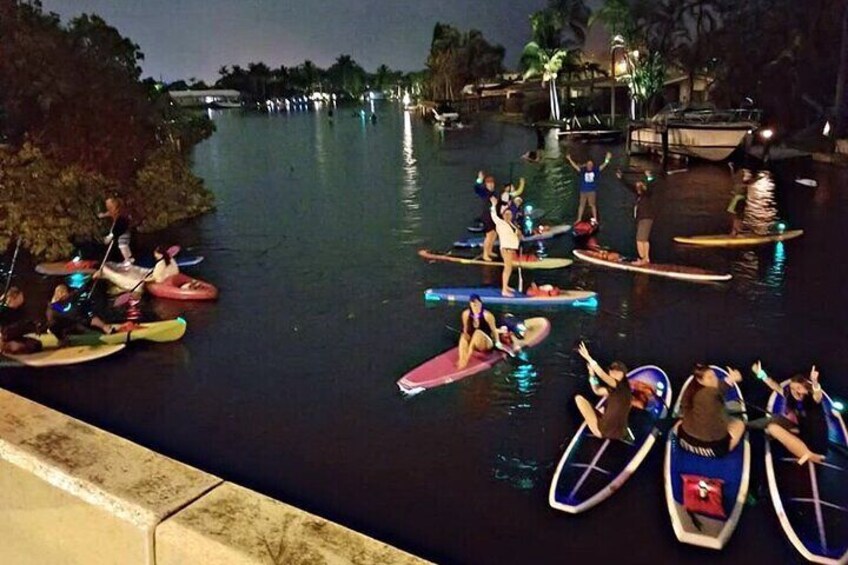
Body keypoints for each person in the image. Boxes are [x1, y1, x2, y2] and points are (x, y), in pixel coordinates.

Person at [750, 361, 829, 464]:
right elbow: (774, 386)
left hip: (816, 439)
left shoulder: (812, 400)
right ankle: (746, 426)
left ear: (806, 388)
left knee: (772, 429)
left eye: (799, 388)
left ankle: (809, 455)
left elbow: (818, 395)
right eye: (792, 388)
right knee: (773, 423)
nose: (795, 391)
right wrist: (761, 374)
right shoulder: (790, 396)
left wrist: (815, 382)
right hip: (801, 431)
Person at [676, 365, 746, 458]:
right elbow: (717, 391)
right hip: (714, 450)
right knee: (740, 424)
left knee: (679, 422)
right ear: (700, 380)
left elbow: (684, 410)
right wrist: (731, 380)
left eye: (714, 376)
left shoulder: (689, 391)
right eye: (710, 378)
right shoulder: (711, 394)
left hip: (684, 441)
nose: (715, 379)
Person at [574, 342, 633, 440]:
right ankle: (603, 422)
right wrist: (591, 375)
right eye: (611, 370)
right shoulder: (619, 390)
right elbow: (596, 390)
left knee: (579, 399)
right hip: (618, 434)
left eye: (616, 370)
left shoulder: (621, 386)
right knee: (602, 408)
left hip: (602, 431)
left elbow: (601, 374)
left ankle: (598, 428)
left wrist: (588, 357)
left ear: (622, 374)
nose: (612, 373)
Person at [46, 284, 114, 338]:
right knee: (88, 331)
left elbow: (80, 291)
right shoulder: (52, 309)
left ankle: (105, 328)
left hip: (74, 322)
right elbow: (54, 321)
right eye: (62, 294)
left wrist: (92, 279)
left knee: (91, 318)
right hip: (63, 327)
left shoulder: (69, 298)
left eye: (65, 293)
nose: (65, 295)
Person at [617, 169, 655, 265]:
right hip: (643, 219)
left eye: (639, 185)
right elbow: (629, 186)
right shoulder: (639, 195)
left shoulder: (646, 194)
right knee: (643, 240)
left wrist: (649, 177)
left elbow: (650, 186)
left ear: (642, 187)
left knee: (640, 240)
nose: (637, 186)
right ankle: (646, 259)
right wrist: (621, 178)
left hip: (645, 219)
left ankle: (643, 259)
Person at [456, 294, 502, 369]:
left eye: (476, 303)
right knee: (463, 335)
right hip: (475, 342)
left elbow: (494, 330)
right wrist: (465, 336)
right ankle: (461, 358)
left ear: (480, 303)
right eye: (473, 304)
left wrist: (498, 342)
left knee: (477, 333)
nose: (475, 306)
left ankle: (466, 359)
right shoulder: (466, 314)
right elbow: (465, 329)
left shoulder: (487, 315)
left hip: (486, 343)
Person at [566, 151, 612, 224]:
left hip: (591, 191)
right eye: (588, 164)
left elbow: (604, 165)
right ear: (586, 165)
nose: (589, 166)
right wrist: (569, 159)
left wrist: (607, 159)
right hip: (583, 191)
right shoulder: (582, 171)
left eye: (591, 164)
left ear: (592, 165)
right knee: (581, 205)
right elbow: (575, 166)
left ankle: (595, 219)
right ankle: (579, 219)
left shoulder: (595, 170)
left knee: (592, 205)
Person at [490, 195, 522, 297]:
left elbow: (518, 236)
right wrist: (493, 205)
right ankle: (504, 290)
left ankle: (506, 286)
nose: (508, 216)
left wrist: (518, 235)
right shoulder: (501, 223)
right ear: (503, 215)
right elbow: (493, 215)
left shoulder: (512, 225)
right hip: (506, 249)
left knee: (509, 268)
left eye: (510, 214)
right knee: (507, 268)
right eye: (506, 214)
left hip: (511, 249)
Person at [0, 287, 41, 355]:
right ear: (14, 297)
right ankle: (7, 346)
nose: (23, 299)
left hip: (14, 337)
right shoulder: (2, 307)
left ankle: (13, 346)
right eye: (21, 296)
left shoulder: (19, 309)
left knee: (36, 345)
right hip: (5, 334)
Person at [99, 196, 133, 266]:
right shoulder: (114, 212)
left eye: (109, 204)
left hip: (124, 231)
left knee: (122, 245)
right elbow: (109, 213)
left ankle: (128, 260)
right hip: (121, 229)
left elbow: (119, 226)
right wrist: (103, 215)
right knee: (123, 245)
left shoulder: (121, 213)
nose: (107, 206)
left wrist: (111, 235)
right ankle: (129, 258)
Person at [474, 171, 498, 262]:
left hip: (494, 215)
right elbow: (476, 188)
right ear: (486, 185)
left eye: (492, 184)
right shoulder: (484, 192)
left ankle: (490, 250)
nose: (491, 185)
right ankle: (485, 254)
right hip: (487, 215)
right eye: (489, 184)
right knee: (489, 234)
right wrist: (479, 179)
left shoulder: (494, 193)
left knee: (494, 234)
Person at [726, 164, 753, 237]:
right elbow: (732, 175)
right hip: (735, 200)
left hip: (739, 200)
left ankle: (737, 231)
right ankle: (734, 231)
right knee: (734, 216)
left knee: (738, 216)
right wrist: (731, 167)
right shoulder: (737, 181)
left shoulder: (744, 183)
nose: (742, 175)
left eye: (743, 174)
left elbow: (751, 182)